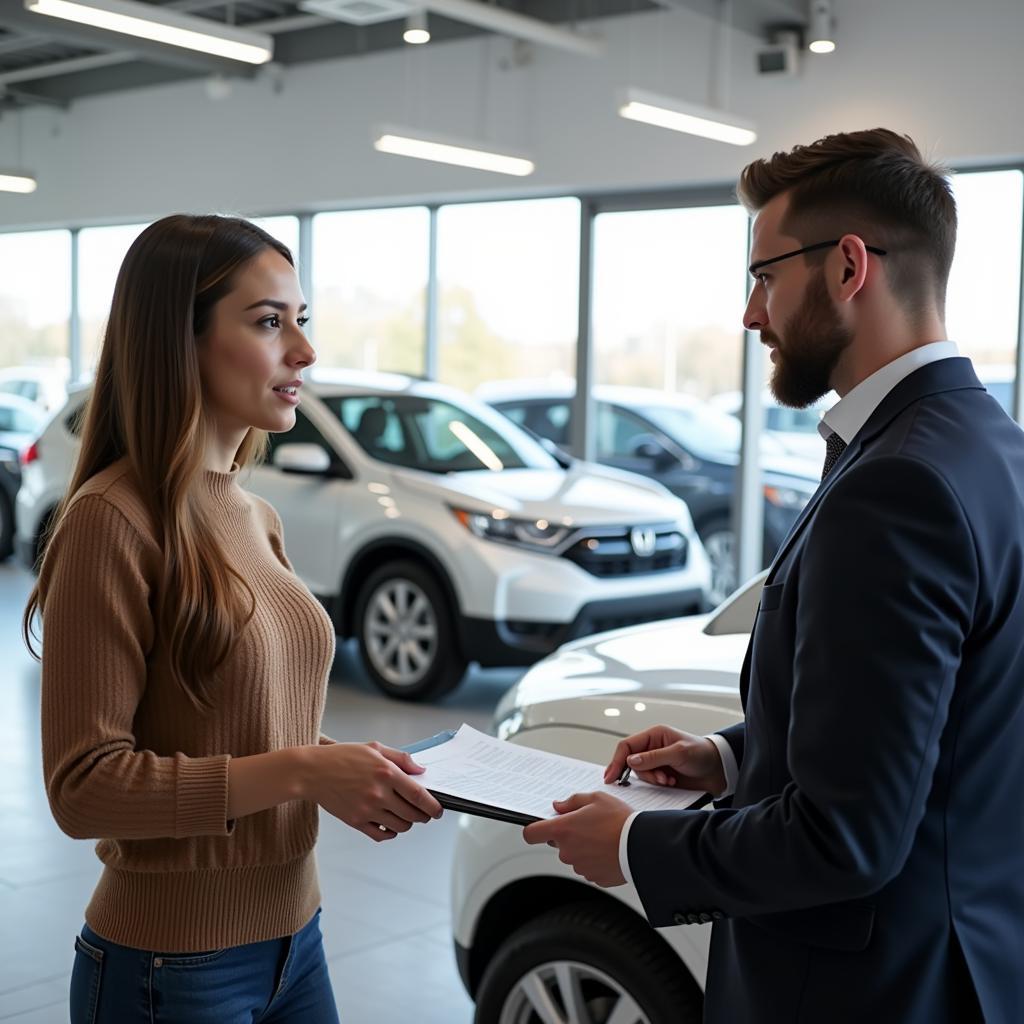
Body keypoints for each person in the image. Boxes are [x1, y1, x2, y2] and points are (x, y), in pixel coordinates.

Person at [523, 128, 1024, 1023]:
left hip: (862, 989)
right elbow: (937, 734)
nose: (751, 315)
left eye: (763, 276)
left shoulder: (897, 484)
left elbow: (849, 837)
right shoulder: (989, 450)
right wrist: (728, 756)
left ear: (848, 268)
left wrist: (639, 846)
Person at [23, 215, 443, 1024]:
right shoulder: (111, 519)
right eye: (267, 322)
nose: (303, 352)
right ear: (177, 340)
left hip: (298, 940)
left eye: (301, 320)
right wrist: (302, 773)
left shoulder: (254, 516)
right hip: (170, 968)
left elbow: (233, 725)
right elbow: (83, 788)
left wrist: (342, 766)